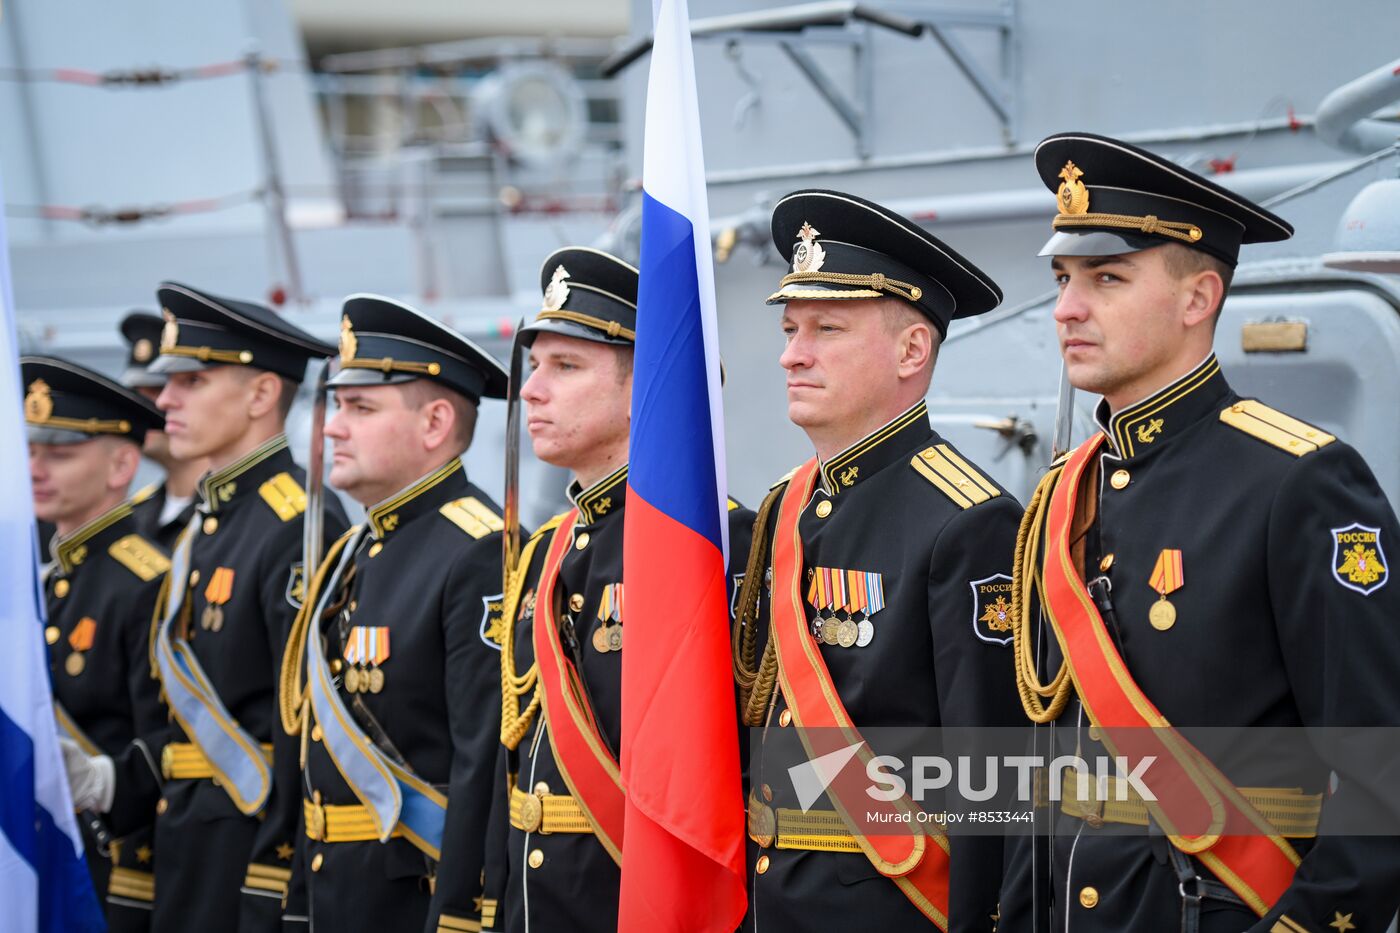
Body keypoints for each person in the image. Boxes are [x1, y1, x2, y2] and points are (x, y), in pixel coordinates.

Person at [1000, 131, 1400, 932]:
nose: (1067, 308)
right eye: (1063, 279)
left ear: (1198, 297)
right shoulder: (1060, 498)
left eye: (1106, 278)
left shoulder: (1300, 481)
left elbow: (1379, 776)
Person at [732, 189, 1023, 931]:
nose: (792, 352)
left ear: (911, 350)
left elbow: (991, 776)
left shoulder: (968, 518)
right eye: (792, 327)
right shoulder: (783, 510)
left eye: (827, 328)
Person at [482, 247, 756, 933]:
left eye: (566, 367)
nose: (533, 390)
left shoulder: (720, 546)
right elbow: (510, 767)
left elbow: (747, 769)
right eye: (536, 365)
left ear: (647, 389)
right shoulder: (545, 550)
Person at [60, 281, 347, 933]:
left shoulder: (297, 522)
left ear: (260, 393)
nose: (164, 401)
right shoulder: (207, 524)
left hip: (249, 862)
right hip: (188, 848)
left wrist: (276, 882)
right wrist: (110, 781)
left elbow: (299, 736)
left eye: (190, 381)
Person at [279, 294, 510, 933]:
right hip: (340, 895)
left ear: (435, 423)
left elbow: (480, 768)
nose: (330, 426)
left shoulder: (478, 549)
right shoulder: (354, 551)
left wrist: (462, 916)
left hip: (416, 901)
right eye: (336, 405)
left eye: (360, 407)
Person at [29, 356, 168, 931]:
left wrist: (103, 780)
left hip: (117, 870)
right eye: (30, 450)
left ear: (121, 465)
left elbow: (177, 741)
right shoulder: (37, 583)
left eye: (59, 454)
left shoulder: (148, 582)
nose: (35, 468)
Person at [119, 311, 209, 550]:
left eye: (157, 390)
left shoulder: (233, 516)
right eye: (135, 395)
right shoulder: (134, 514)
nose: (155, 406)